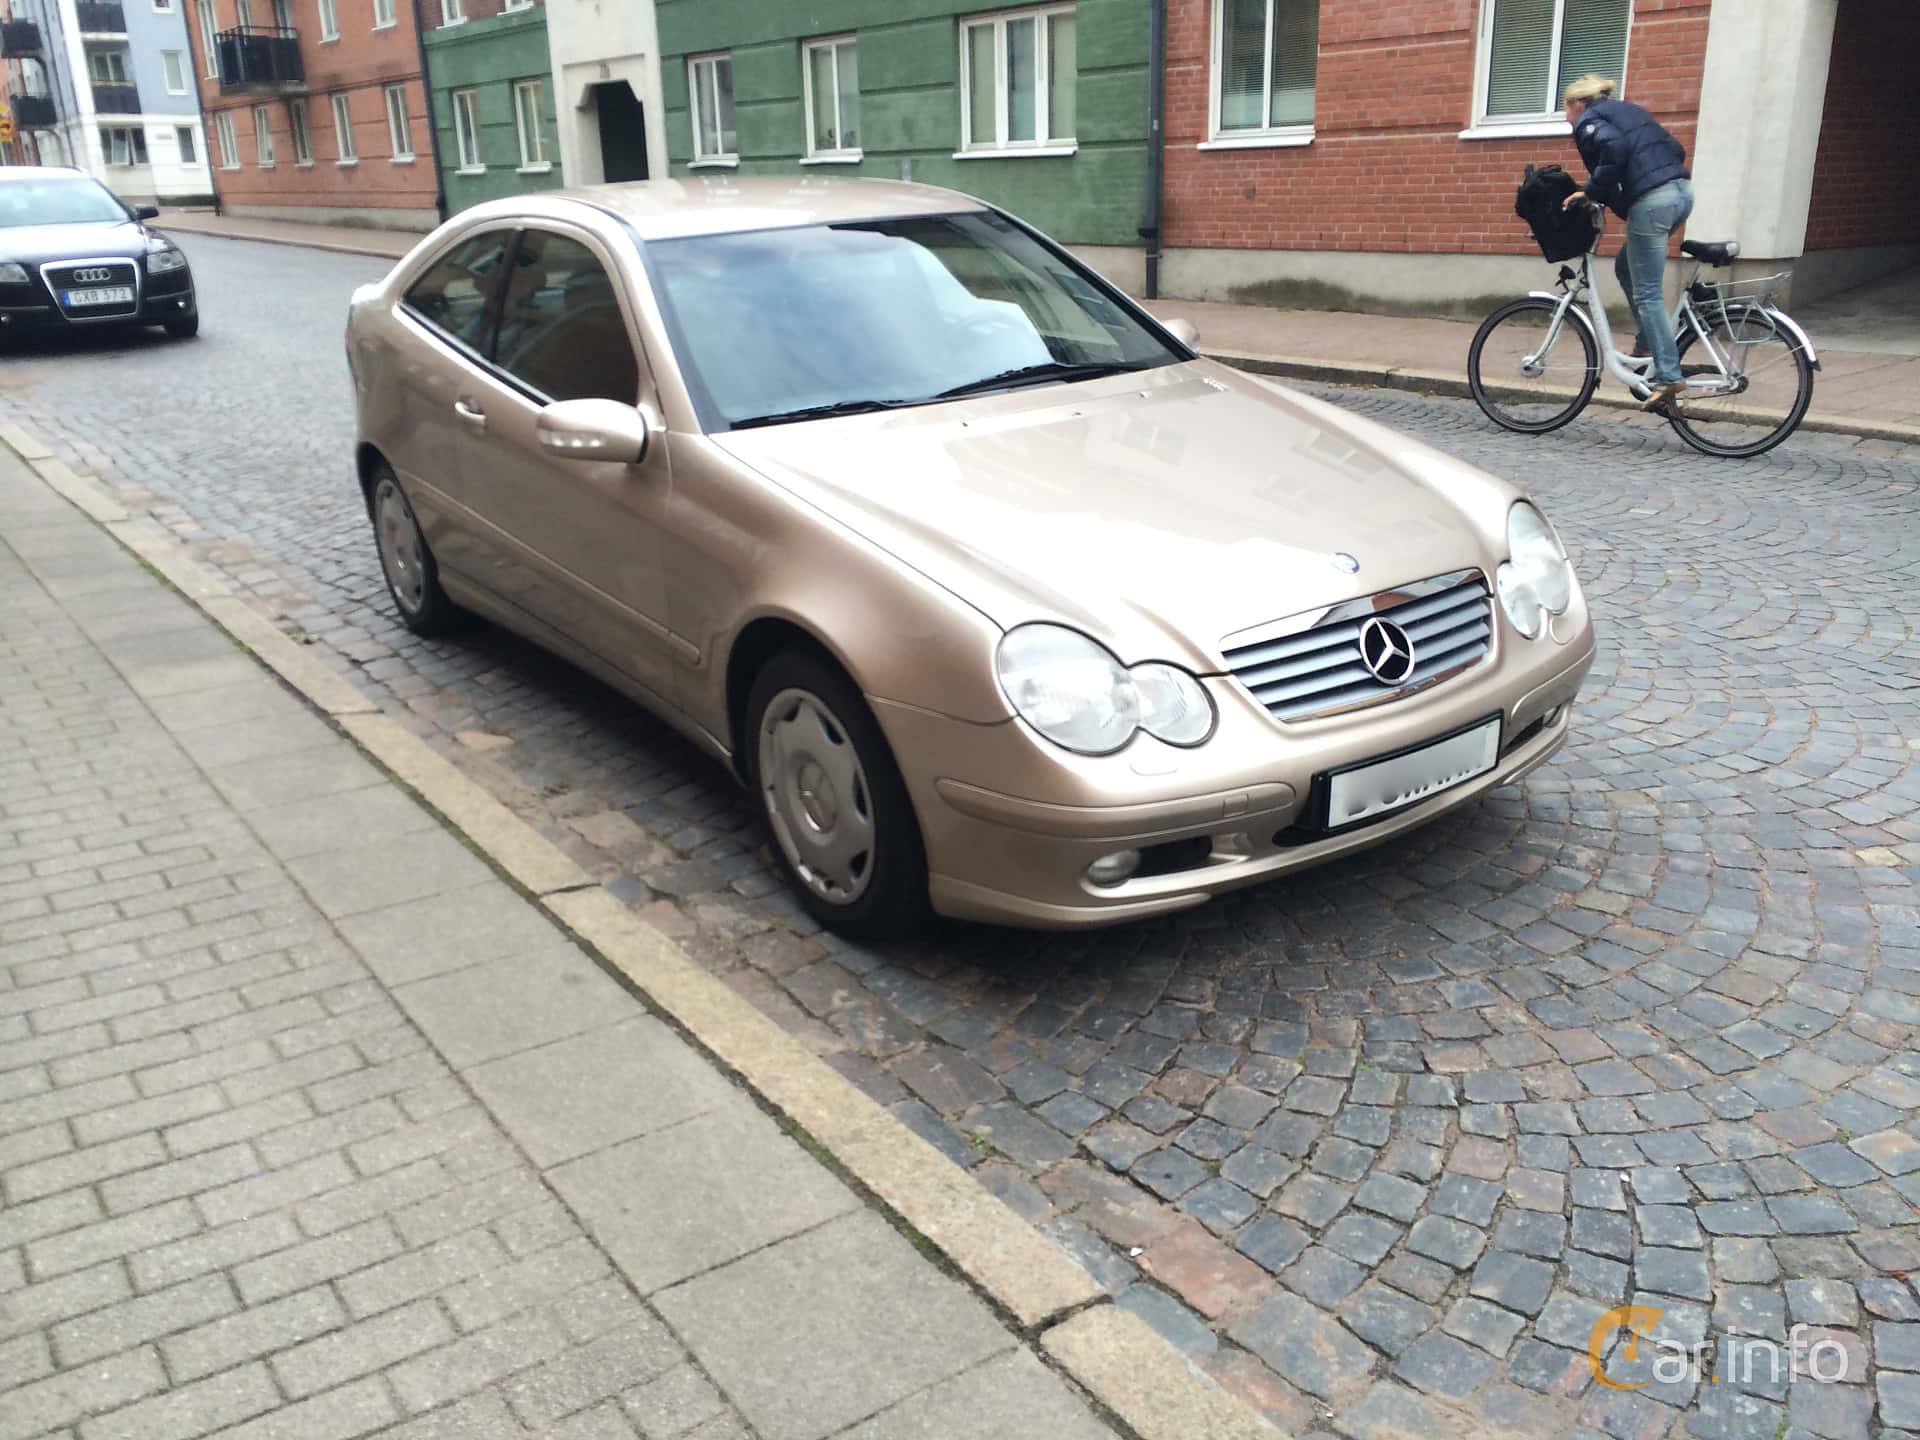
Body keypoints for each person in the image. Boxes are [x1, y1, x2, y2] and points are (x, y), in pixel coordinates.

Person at [1559, 75, 1693, 410]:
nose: (1566, 116)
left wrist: (1591, 191)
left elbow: (1614, 149)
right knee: (1625, 267)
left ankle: (1668, 374)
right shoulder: (1627, 111)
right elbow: (1675, 150)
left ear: (1579, 103)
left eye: (1566, 108)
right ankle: (1647, 344)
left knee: (1647, 292)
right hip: (1681, 194)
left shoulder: (1590, 120)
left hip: (1655, 202)